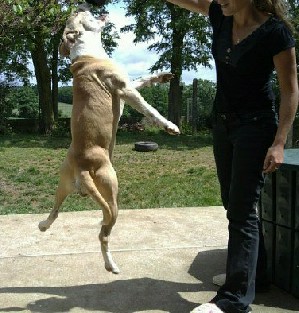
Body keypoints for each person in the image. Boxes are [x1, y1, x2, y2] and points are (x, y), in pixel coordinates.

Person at [165, 0, 298, 313]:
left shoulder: (276, 33)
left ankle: (233, 300)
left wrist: (280, 142)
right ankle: (255, 275)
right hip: (223, 125)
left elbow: (290, 91)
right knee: (232, 201)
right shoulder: (220, 15)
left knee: (241, 210)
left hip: (256, 127)